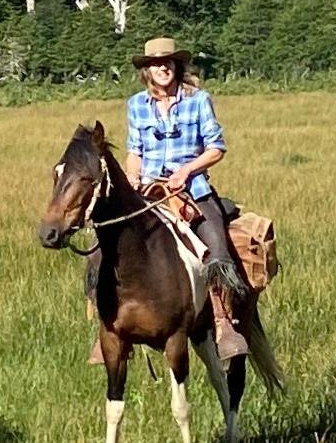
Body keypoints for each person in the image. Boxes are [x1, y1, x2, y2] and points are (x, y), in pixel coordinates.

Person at [82, 33, 246, 363]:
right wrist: (132, 180)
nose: (162, 68)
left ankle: (222, 321)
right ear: (147, 70)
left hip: (191, 190)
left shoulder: (198, 100)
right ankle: (109, 327)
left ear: (177, 66)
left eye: (167, 62)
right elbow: (135, 150)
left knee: (215, 244)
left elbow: (216, 148)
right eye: (155, 63)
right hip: (147, 190)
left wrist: (187, 171)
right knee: (101, 250)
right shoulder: (136, 105)